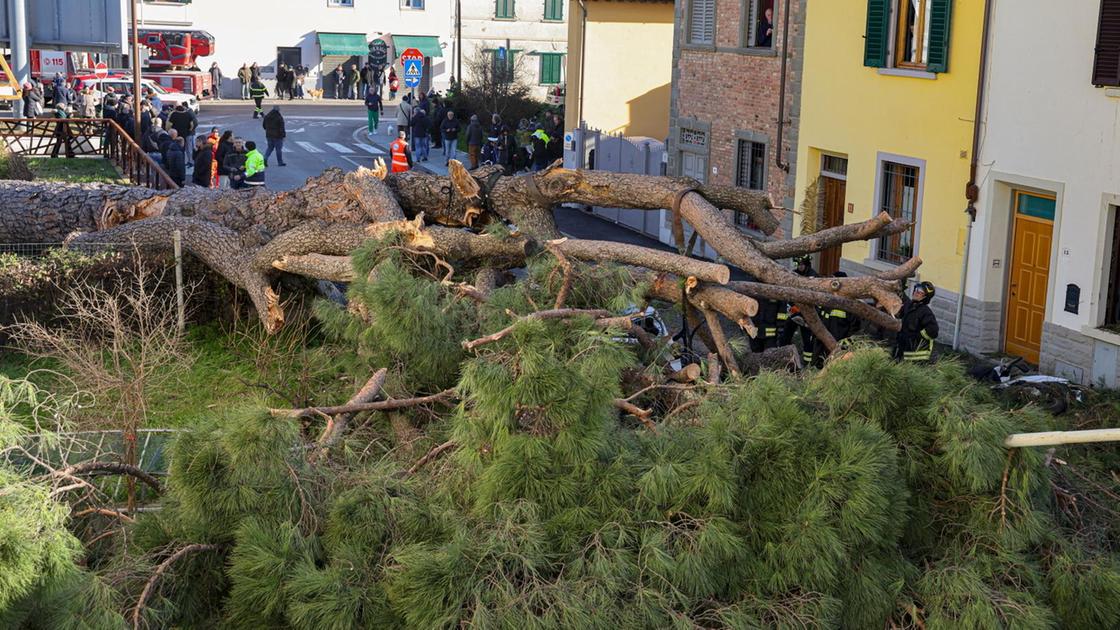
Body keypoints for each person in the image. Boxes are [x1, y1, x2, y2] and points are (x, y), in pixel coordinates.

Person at [894, 281, 939, 362]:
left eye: (920, 292)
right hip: (904, 351)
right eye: (916, 289)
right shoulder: (909, 306)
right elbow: (903, 299)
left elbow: (933, 331)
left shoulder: (925, 312)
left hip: (918, 357)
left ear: (925, 297)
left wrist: (915, 337)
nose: (916, 292)